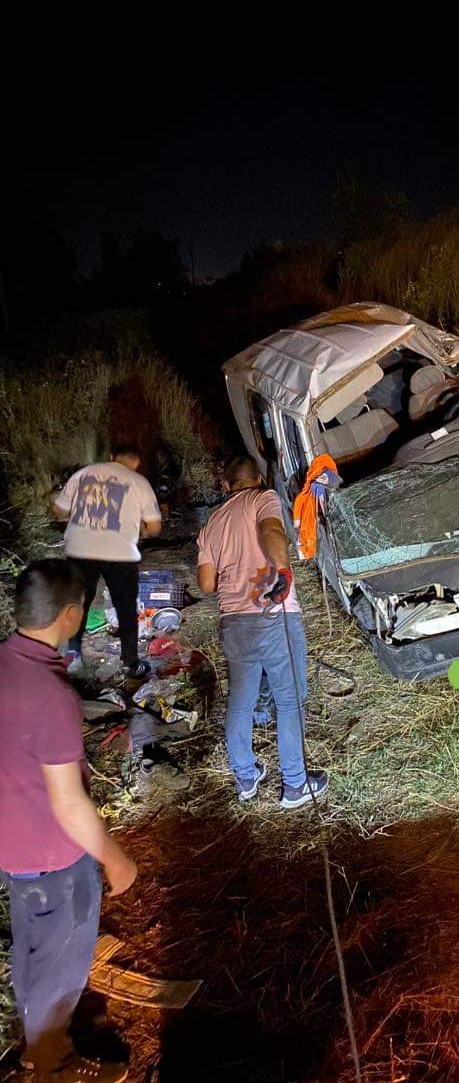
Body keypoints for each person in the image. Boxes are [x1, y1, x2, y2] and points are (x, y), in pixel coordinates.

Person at [0, 560, 137, 1082]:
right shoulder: (51, 695)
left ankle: (38, 1043)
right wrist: (115, 858)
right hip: (54, 853)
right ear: (72, 615)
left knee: (33, 948)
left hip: (12, 850)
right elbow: (69, 804)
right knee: (61, 959)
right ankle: (53, 1064)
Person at [196, 455, 327, 807]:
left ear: (226, 485)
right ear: (256, 478)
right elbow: (271, 530)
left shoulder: (211, 522)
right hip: (272, 613)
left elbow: (207, 584)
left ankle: (246, 776)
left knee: (240, 701)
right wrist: (282, 571)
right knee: (289, 699)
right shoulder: (263, 498)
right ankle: (296, 784)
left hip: (233, 623)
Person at [52, 442, 162, 677]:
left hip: (79, 550)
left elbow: (58, 510)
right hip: (120, 554)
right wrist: (140, 529)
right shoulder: (139, 482)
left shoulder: (83, 474)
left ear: (111, 456)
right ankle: (130, 663)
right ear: (137, 462)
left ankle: (72, 656)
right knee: (125, 606)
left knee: (78, 602)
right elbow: (154, 527)